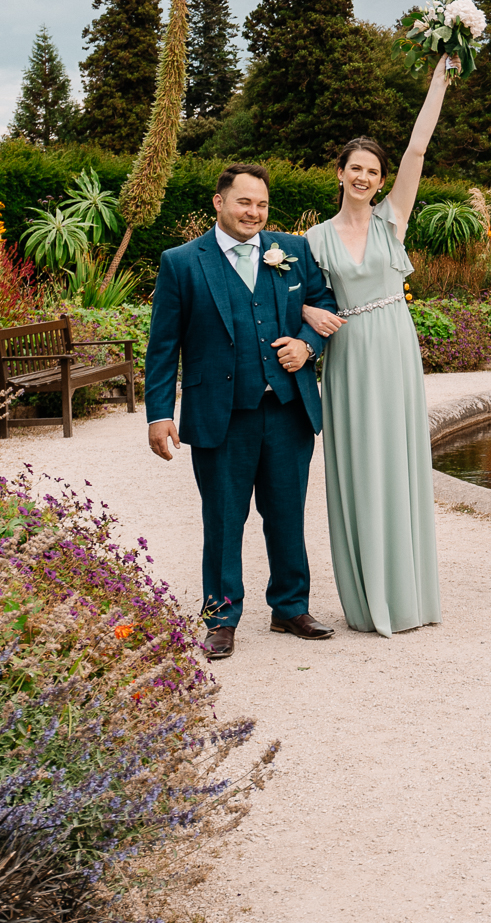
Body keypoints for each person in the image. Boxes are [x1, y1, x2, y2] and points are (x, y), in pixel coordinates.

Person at [145, 163, 339, 659]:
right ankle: (222, 617)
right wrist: (159, 413)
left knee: (286, 515)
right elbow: (163, 346)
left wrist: (307, 345)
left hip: (288, 409)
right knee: (224, 519)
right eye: (243, 202)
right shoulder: (183, 262)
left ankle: (290, 607)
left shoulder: (291, 251)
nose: (253, 212)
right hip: (220, 414)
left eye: (261, 204)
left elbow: (322, 302)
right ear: (219, 202)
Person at [299, 59, 451, 636]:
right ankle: (368, 601)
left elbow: (417, 151)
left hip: (394, 347)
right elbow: (291, 297)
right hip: (349, 357)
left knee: (402, 463)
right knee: (360, 466)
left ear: (381, 180)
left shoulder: (393, 222)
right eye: (354, 168)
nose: (363, 177)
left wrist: (437, 84)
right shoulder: (311, 240)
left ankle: (409, 596)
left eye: (372, 170)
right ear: (338, 173)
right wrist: (310, 310)